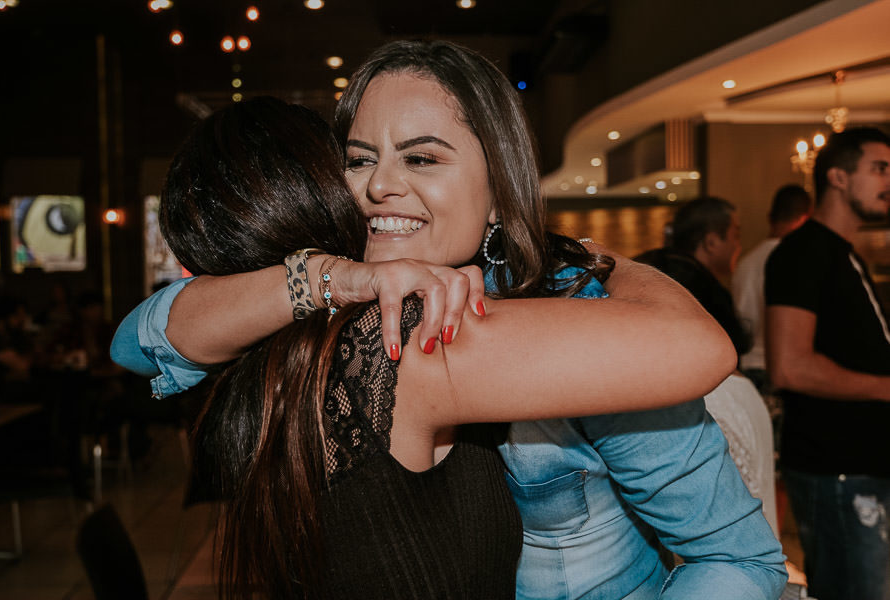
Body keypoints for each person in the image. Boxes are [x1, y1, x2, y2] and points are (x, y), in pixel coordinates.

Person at [113, 41, 785, 599]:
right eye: (359, 159)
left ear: (498, 193)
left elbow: (737, 560)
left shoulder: (573, 311)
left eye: (422, 157)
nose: (380, 185)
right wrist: (331, 275)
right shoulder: (360, 321)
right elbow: (139, 341)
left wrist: (597, 265)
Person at [765, 126, 890, 600]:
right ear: (838, 177)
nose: (889, 181)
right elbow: (789, 367)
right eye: (880, 169)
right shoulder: (802, 252)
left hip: (862, 464)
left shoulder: (843, 255)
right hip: (837, 469)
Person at [635, 196, 750, 357]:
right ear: (711, 242)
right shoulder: (705, 291)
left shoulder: (648, 269)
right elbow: (732, 349)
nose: (738, 246)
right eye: (736, 235)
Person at [732, 185, 812, 393]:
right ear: (805, 219)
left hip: (745, 365)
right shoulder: (799, 262)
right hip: (777, 366)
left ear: (770, 217)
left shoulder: (745, 262)